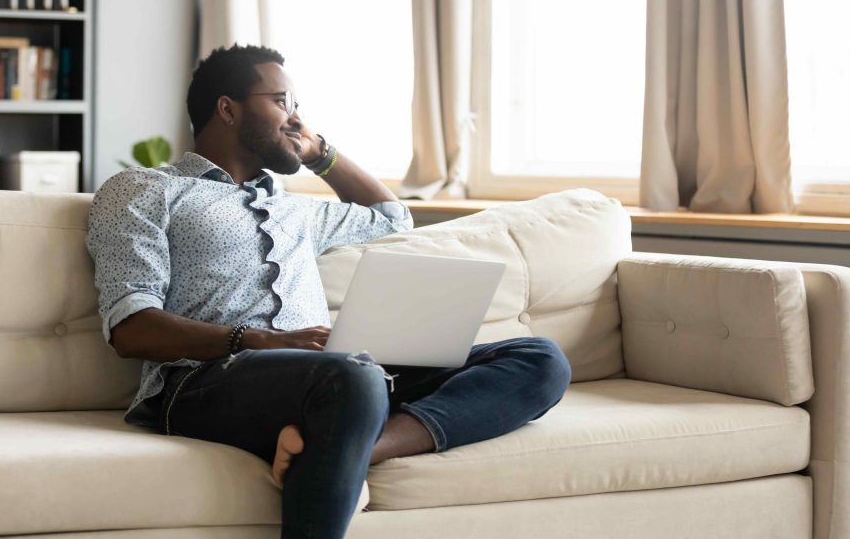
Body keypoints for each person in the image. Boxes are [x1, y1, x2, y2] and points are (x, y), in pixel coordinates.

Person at [86, 44, 572, 539]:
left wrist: (321, 153)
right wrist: (255, 340)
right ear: (228, 109)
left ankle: (347, 443)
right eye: (281, 101)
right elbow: (131, 327)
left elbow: (393, 218)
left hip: (331, 374)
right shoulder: (145, 189)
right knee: (352, 378)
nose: (295, 118)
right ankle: (341, 430)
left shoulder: (297, 210)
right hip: (204, 382)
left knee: (539, 359)